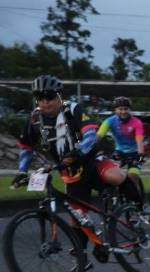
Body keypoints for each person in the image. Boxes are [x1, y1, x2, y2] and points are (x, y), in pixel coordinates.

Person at [13, 75, 135, 262]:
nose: (45, 102)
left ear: (59, 96)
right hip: (70, 171)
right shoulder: (35, 119)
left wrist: (77, 152)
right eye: (40, 97)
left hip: (92, 160)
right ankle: (82, 258)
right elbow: (26, 147)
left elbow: (90, 135)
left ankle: (142, 208)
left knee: (115, 177)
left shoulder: (73, 109)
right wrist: (22, 171)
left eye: (50, 97)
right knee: (77, 217)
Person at [96, 96, 150, 211]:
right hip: (119, 152)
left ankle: (139, 205)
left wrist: (140, 156)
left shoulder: (136, 122)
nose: (123, 111)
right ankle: (114, 197)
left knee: (132, 176)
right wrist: (86, 147)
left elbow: (139, 141)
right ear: (115, 110)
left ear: (129, 110)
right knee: (111, 175)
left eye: (126, 109)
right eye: (120, 109)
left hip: (135, 152)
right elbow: (98, 136)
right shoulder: (110, 121)